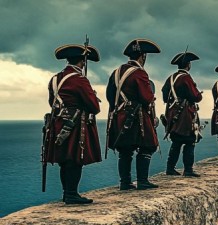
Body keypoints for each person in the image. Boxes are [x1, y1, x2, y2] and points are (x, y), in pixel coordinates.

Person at [43, 42, 102, 204]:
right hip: (75, 124)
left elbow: (52, 102)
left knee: (65, 160)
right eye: (84, 60)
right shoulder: (80, 80)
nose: (84, 63)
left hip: (59, 122)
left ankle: (66, 193)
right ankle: (71, 194)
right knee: (75, 160)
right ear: (82, 61)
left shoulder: (55, 79)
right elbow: (94, 107)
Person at [106, 38, 161, 190]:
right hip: (137, 117)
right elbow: (146, 97)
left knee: (125, 149)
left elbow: (109, 96)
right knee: (148, 146)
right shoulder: (139, 73)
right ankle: (142, 180)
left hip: (119, 115)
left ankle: (125, 182)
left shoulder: (116, 72)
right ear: (142, 56)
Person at [162, 51, 203, 177]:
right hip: (185, 114)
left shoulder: (171, 78)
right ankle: (188, 169)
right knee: (190, 140)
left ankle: (170, 168)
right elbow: (195, 96)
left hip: (173, 112)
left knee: (176, 141)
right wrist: (199, 95)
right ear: (188, 65)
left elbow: (164, 95)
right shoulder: (186, 78)